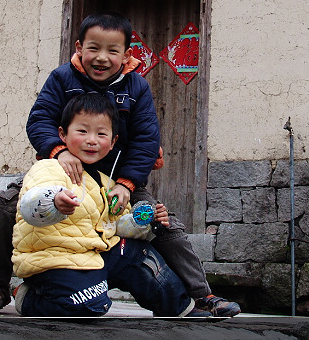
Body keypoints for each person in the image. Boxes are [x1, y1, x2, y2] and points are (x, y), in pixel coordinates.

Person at [0, 12, 240, 317]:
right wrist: (60, 152)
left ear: (126, 55)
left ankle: (202, 295)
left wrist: (127, 183)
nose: (101, 58)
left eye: (112, 51)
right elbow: (39, 120)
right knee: (7, 204)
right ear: (79, 47)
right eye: (93, 48)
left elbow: (146, 140)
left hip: (117, 180)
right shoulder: (61, 79)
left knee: (165, 224)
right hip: (65, 171)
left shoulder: (136, 88)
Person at [12, 93, 203, 317]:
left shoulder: (107, 181)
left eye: (101, 134)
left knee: (140, 257)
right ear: (62, 134)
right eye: (82, 131)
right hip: (56, 259)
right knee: (90, 305)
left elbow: (117, 226)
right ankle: (27, 298)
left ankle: (178, 307)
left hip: (97, 253)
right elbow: (29, 206)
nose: (92, 140)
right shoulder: (49, 168)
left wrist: (147, 221)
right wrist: (52, 202)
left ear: (113, 142)